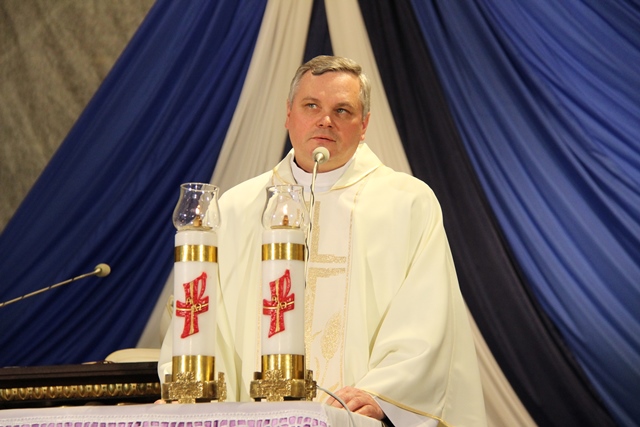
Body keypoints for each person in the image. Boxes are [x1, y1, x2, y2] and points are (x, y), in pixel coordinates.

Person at [160, 55, 486, 426]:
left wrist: (383, 393)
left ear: (364, 125)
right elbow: (205, 320)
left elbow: (427, 315)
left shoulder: (407, 202)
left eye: (342, 110)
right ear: (288, 114)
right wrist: (194, 395)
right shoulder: (237, 207)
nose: (325, 120)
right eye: (311, 106)